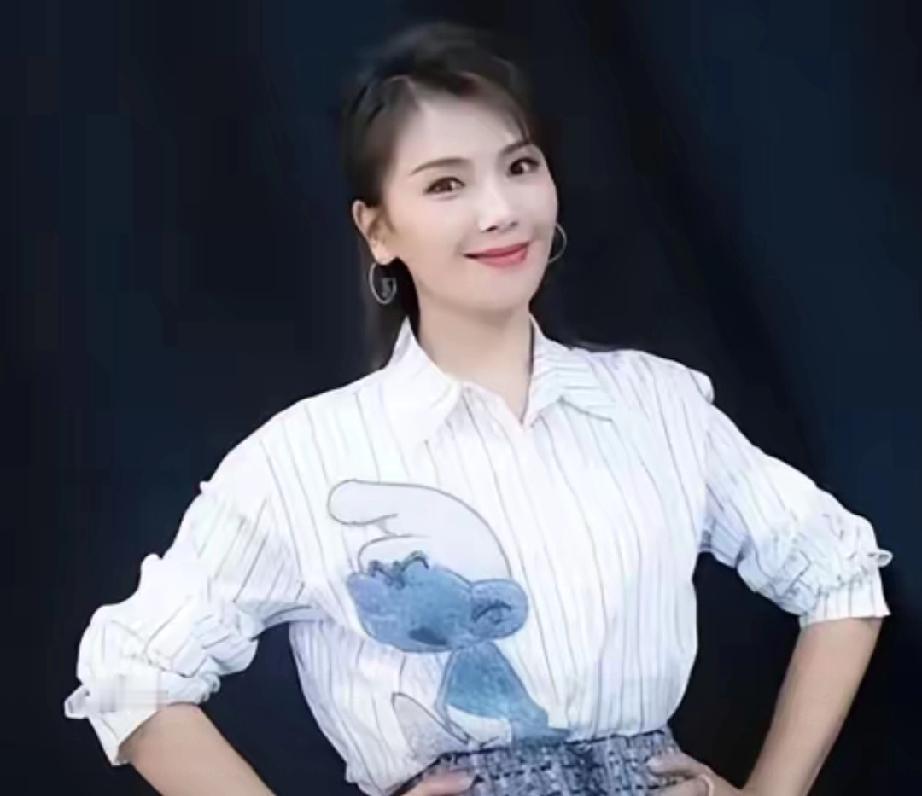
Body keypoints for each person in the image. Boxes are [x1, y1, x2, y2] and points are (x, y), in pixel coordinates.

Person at [64, 20, 892, 796]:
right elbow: (133, 674)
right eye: (446, 184)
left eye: (520, 167)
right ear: (378, 230)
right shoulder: (304, 459)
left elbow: (839, 573)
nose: (500, 210)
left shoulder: (659, 405)